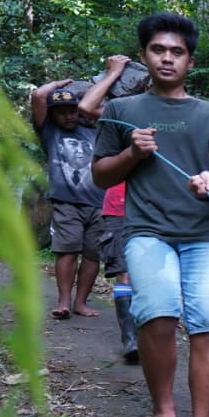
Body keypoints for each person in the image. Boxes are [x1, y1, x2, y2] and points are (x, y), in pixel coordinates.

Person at [92, 13, 209, 417]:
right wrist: (131, 153)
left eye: (176, 52)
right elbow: (101, 173)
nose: (167, 58)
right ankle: (164, 410)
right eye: (158, 50)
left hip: (206, 234)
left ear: (190, 61)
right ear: (143, 57)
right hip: (147, 231)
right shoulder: (122, 112)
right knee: (156, 313)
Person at [80, 54, 149, 364]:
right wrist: (114, 73)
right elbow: (85, 107)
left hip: (156, 203)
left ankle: (150, 334)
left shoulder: (158, 108)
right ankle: (131, 338)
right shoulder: (115, 113)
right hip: (120, 202)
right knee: (124, 273)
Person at [31, 79, 106, 319]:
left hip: (99, 201)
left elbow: (106, 111)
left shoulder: (94, 129)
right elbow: (39, 96)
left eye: (71, 111)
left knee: (93, 254)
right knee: (67, 250)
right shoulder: (49, 132)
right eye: (61, 113)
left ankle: (81, 303)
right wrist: (63, 83)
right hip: (66, 202)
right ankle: (64, 301)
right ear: (52, 116)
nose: (68, 117)